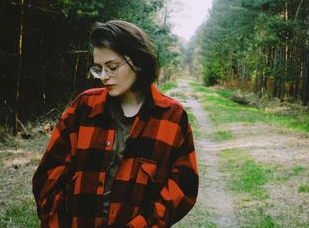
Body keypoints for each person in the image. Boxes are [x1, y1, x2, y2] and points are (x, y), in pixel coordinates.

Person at [32, 20, 199, 228]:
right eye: (98, 68)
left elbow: (183, 188)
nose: (103, 77)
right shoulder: (84, 107)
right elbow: (48, 177)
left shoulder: (171, 117)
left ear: (138, 62)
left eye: (112, 67)